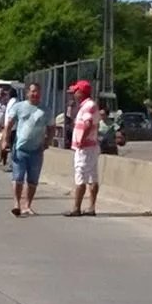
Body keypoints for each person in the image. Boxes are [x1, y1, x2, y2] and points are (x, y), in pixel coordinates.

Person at [4, 83, 49, 217]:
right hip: (20, 149)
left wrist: (47, 141)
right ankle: (17, 204)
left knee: (33, 180)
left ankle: (27, 206)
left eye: (38, 91)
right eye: (33, 91)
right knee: (18, 178)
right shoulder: (19, 107)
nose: (35, 94)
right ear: (27, 93)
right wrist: (5, 140)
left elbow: (51, 127)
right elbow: (9, 124)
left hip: (36, 150)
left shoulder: (45, 109)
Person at [66, 80, 100, 217]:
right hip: (91, 146)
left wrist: (81, 140)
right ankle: (91, 207)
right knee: (92, 176)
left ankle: (76, 208)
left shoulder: (87, 106)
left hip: (85, 147)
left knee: (80, 176)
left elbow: (88, 123)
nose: (74, 94)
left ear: (81, 92)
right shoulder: (88, 105)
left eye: (76, 91)